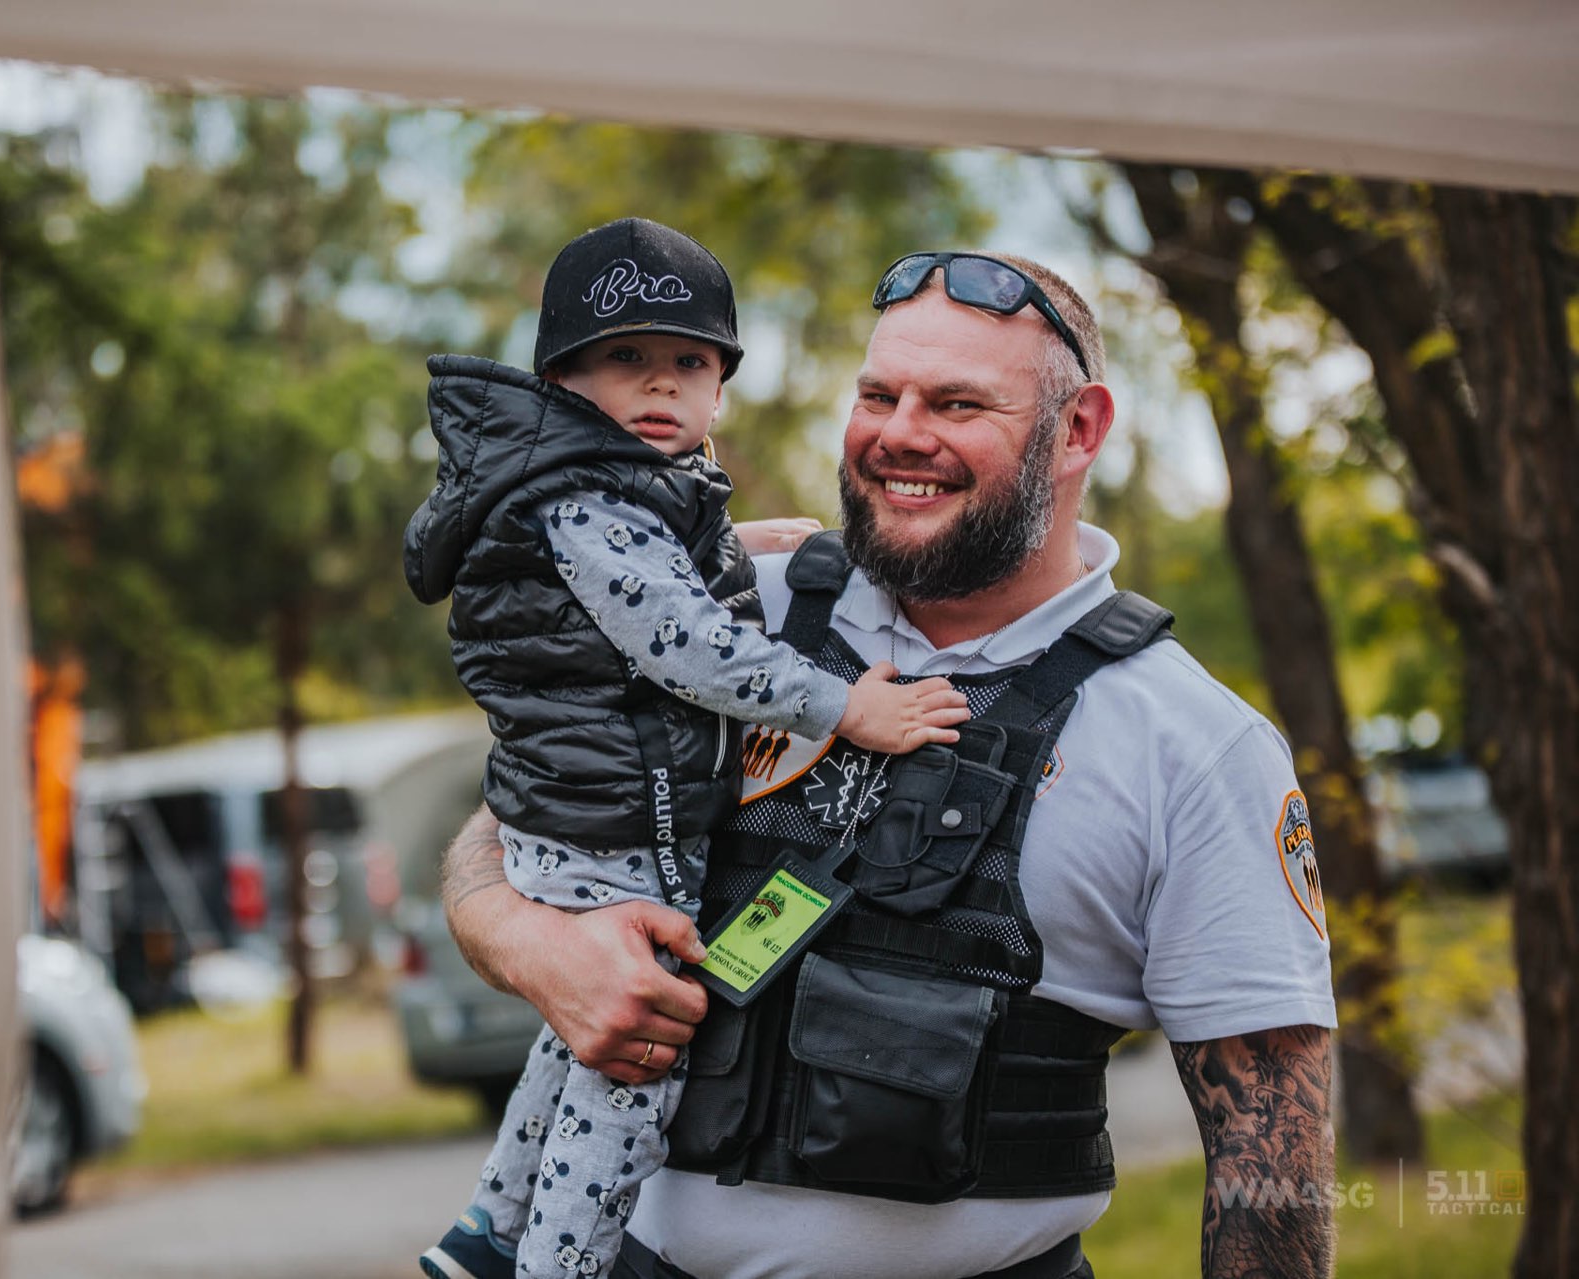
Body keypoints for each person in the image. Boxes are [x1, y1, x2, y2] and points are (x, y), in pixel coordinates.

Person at [438, 250, 1340, 1279]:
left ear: (1079, 429)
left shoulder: (1191, 744)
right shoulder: (728, 610)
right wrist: (526, 941)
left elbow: (1271, 1162)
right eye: (880, 394)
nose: (901, 433)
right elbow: (515, 816)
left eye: (957, 404)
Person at [404, 218, 971, 1279]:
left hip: (577, 802)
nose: (660, 385)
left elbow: (654, 565)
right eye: (626, 359)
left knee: (579, 1031)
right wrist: (848, 708)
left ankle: (488, 1230)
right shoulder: (582, 503)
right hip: (610, 818)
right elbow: (684, 645)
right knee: (638, 1059)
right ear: (564, 381)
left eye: (689, 362)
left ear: (719, 388)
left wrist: (749, 540)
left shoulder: (604, 487)